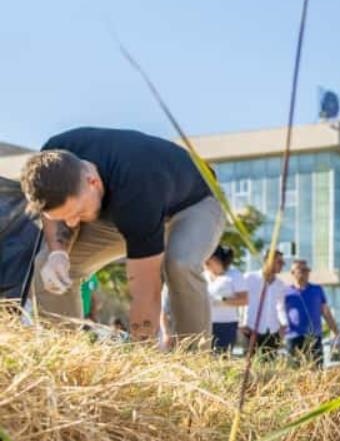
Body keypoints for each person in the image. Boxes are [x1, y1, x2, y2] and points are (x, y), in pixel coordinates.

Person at [20, 127, 224, 343]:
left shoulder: (137, 190)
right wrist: (58, 254)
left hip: (193, 203)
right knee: (48, 264)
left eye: (77, 213)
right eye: (64, 217)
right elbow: (53, 216)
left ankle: (193, 359)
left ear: (93, 181)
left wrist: (141, 350)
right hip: (114, 210)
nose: (71, 223)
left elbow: (147, 290)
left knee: (180, 262)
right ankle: (62, 352)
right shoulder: (50, 163)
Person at [282, 258, 340, 365]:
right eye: (301, 270)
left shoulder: (317, 290)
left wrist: (336, 331)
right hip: (293, 337)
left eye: (307, 270)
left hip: (314, 337)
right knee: (293, 370)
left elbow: (326, 312)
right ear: (293, 273)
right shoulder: (285, 292)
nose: (305, 273)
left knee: (316, 370)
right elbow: (279, 313)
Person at [240, 250, 288, 353]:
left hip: (272, 331)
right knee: (250, 365)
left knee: (270, 366)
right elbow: (241, 301)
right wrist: (241, 322)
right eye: (279, 262)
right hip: (251, 329)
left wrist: (284, 324)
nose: (282, 265)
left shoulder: (280, 284)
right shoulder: (249, 278)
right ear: (267, 260)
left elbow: (281, 307)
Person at [205, 245, 247, 353]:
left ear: (215, 259)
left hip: (225, 324)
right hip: (205, 322)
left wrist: (222, 300)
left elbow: (244, 299)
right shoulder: (203, 275)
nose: (205, 264)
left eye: (208, 262)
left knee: (221, 355)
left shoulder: (234, 275)